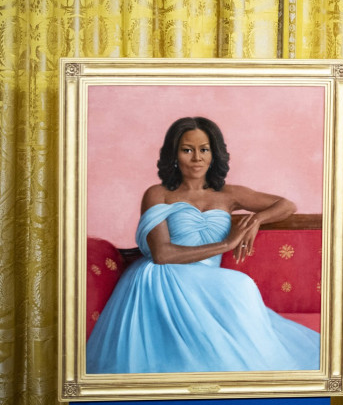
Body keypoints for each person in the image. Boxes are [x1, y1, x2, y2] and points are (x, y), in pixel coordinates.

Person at [86, 116, 320, 374]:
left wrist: (257, 219)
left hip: (206, 276)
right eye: (187, 150)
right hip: (161, 277)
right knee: (238, 285)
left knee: (237, 288)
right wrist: (227, 244)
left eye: (204, 149)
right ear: (174, 155)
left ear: (213, 154)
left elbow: (287, 205)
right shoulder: (158, 193)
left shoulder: (228, 194)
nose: (196, 157)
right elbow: (162, 254)